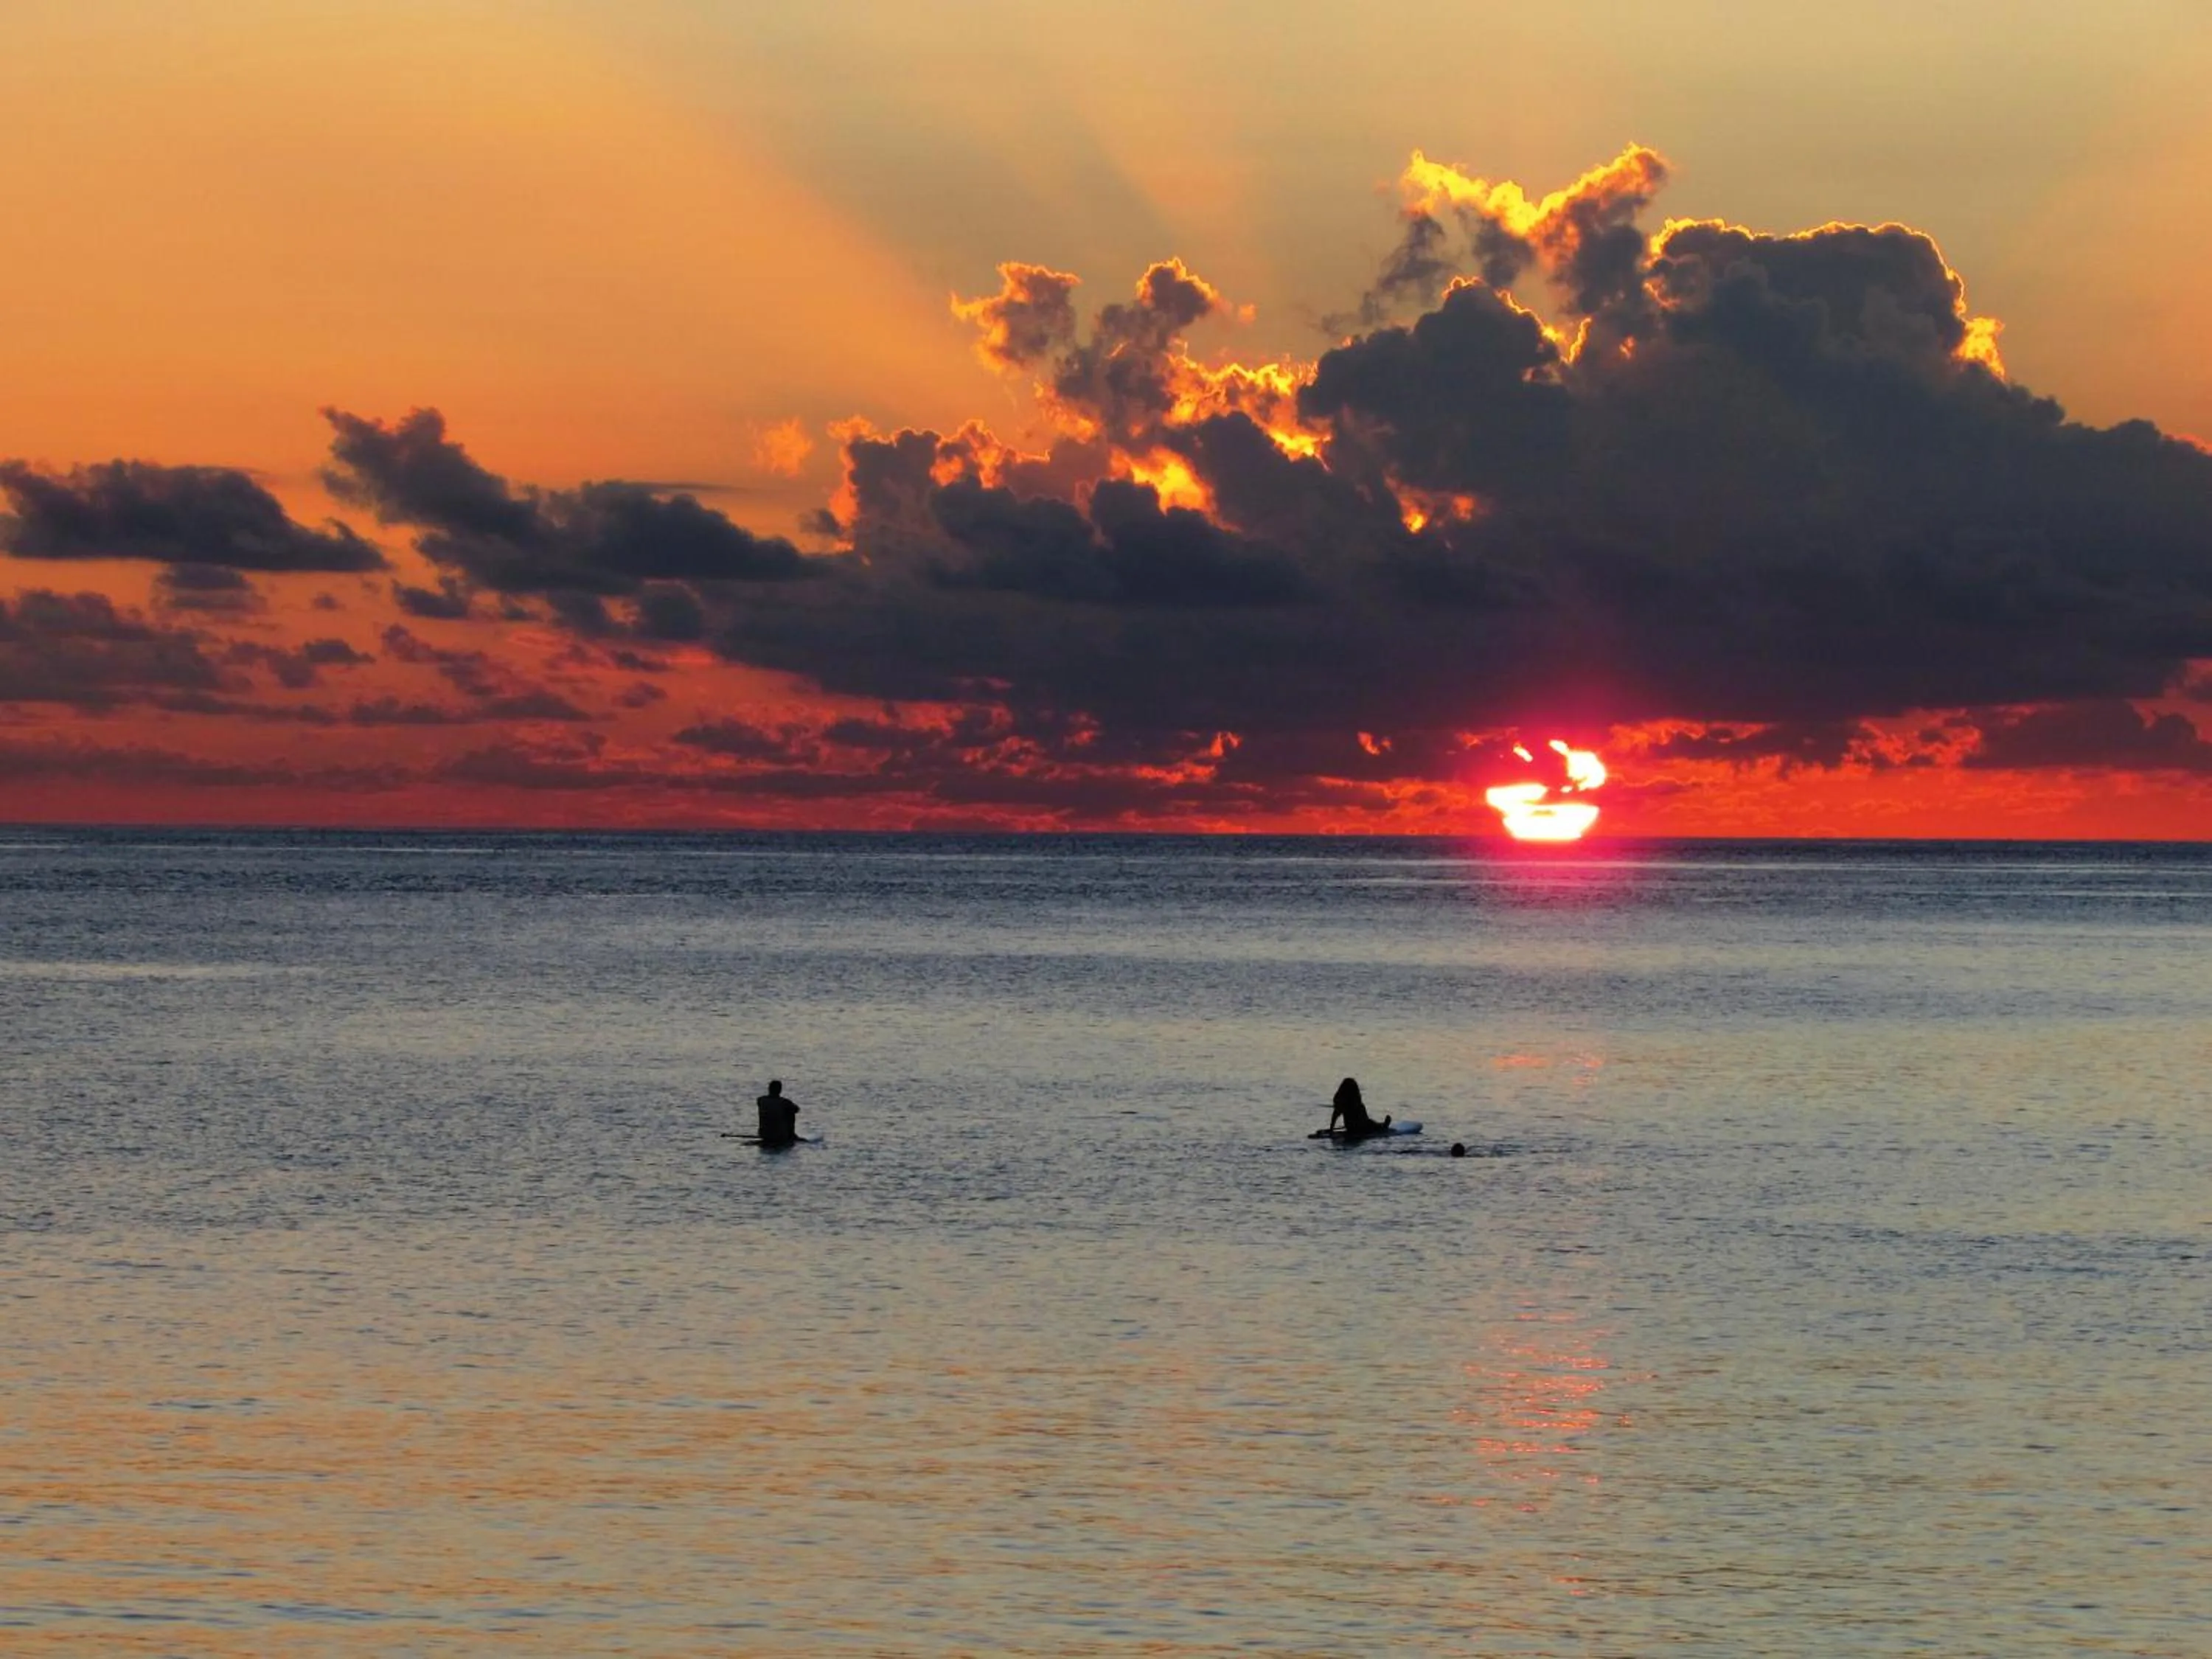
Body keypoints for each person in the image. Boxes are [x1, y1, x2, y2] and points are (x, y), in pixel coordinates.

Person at [1326, 1077, 1391, 1138]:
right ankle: (1382, 1126)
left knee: (1370, 1123)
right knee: (1370, 1123)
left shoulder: (1341, 1100)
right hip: (1359, 1127)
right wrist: (1331, 1130)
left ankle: (1381, 1126)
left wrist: (1331, 1129)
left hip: (1352, 1126)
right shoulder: (1355, 1101)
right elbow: (1363, 1118)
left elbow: (1335, 1115)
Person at [757, 1079, 800, 1147]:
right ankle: (791, 1134)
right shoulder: (784, 1102)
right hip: (780, 1135)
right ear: (780, 1090)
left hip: (764, 1134)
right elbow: (797, 1109)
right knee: (790, 1112)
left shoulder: (761, 1100)